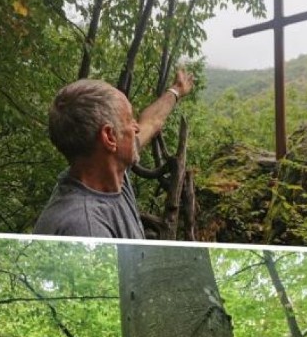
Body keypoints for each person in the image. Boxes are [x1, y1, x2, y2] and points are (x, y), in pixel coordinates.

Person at [33, 70, 194, 238]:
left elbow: (151, 123)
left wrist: (176, 90)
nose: (136, 127)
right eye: (129, 120)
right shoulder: (86, 228)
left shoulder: (111, 172)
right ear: (109, 137)